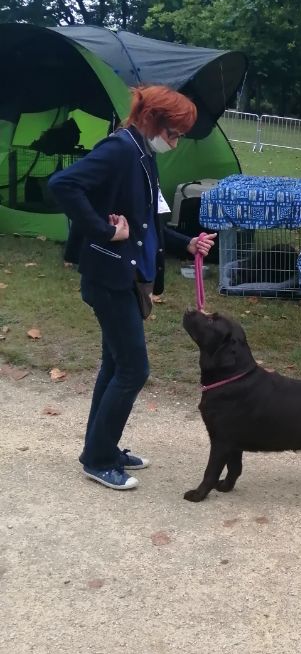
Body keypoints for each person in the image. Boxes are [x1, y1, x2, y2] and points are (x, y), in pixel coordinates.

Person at [48, 85, 216, 491]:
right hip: (108, 278)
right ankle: (98, 458)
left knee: (116, 364)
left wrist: (186, 244)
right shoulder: (121, 149)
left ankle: (102, 446)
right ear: (151, 121)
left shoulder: (143, 154)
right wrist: (104, 231)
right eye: (173, 133)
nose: (174, 143)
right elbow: (62, 185)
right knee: (133, 368)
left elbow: (149, 218)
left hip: (128, 278)